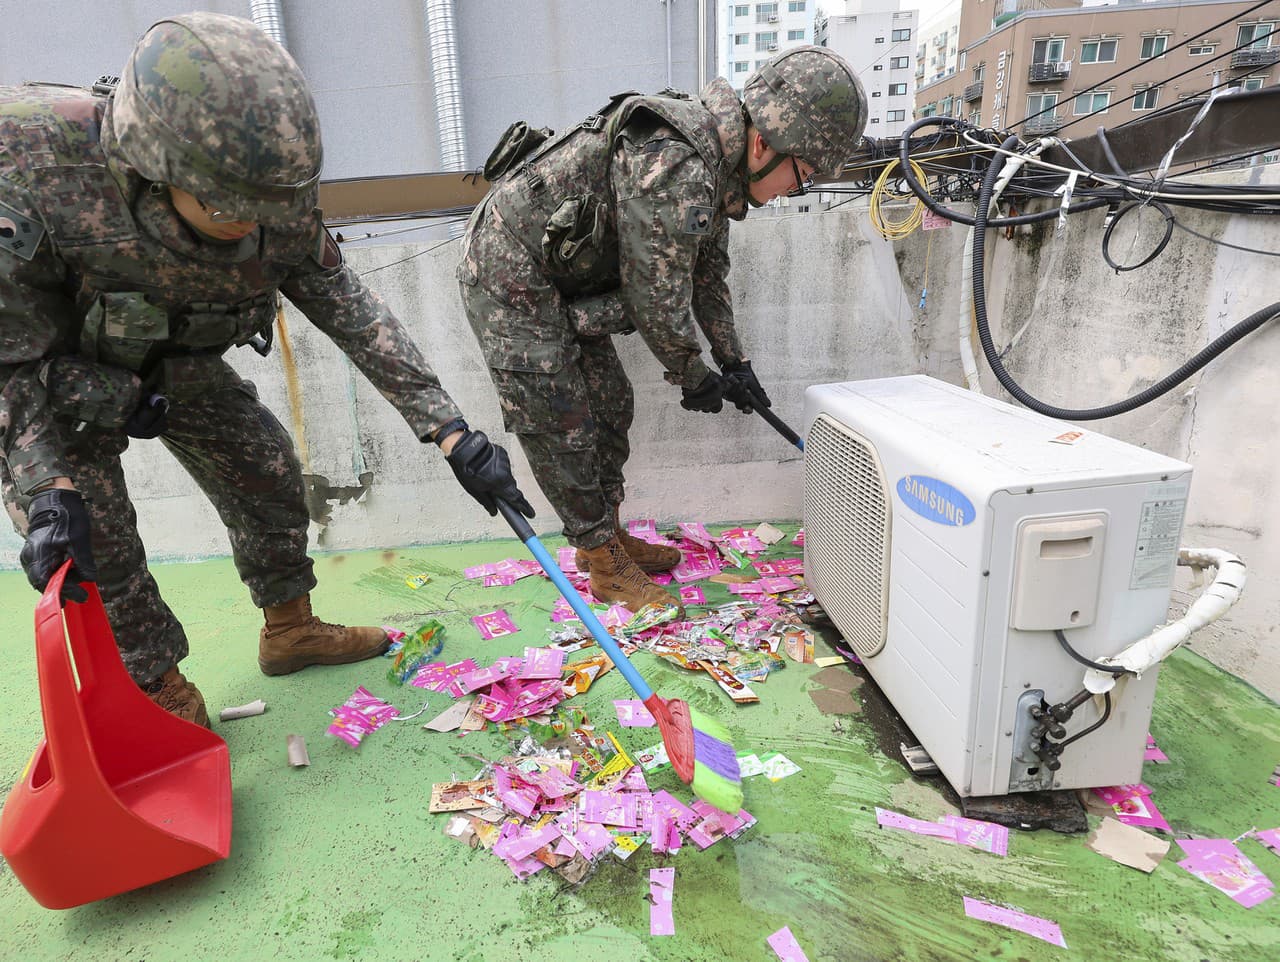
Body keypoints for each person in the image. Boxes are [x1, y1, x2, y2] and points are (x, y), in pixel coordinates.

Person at [0, 13, 533, 728]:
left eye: (266, 212)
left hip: (172, 350)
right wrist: (45, 488)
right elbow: (11, 363)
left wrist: (452, 433)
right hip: (49, 377)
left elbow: (349, 307)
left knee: (266, 468)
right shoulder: (32, 164)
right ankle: (154, 689)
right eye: (229, 210)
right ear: (153, 167)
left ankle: (290, 630)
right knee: (93, 535)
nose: (251, 229)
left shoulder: (265, 189)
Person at [457, 46, 866, 614]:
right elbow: (656, 293)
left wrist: (734, 363)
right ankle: (603, 562)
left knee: (612, 403)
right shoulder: (678, 160)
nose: (791, 193)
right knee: (564, 417)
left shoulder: (717, 168)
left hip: (566, 278)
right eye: (802, 177)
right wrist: (691, 373)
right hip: (511, 273)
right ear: (764, 143)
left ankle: (609, 537)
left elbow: (707, 274)